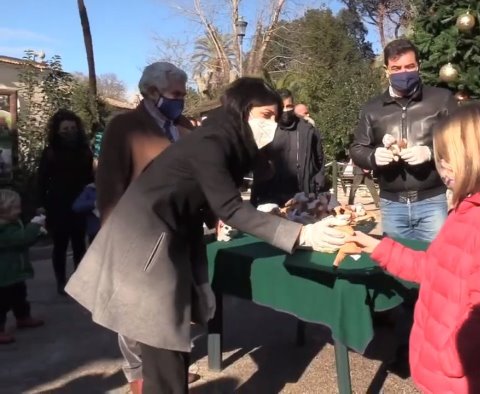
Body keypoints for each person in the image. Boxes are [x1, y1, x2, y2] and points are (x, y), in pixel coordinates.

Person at [65, 77, 347, 393]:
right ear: (244, 109)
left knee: (170, 340)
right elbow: (231, 207)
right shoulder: (211, 141)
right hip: (146, 245)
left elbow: (209, 194)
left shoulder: (221, 138)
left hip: (163, 238)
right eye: (266, 115)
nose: (272, 125)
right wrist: (302, 236)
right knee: (163, 343)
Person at [349, 102, 480, 393]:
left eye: (446, 158)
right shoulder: (470, 210)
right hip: (447, 373)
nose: (441, 168)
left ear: (475, 157)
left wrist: (449, 360)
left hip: (462, 379)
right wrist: (379, 248)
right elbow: (436, 269)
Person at [95, 62, 195, 393]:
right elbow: (110, 187)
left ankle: (170, 370)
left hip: (181, 235)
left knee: (175, 311)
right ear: (152, 92)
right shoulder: (124, 127)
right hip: (138, 235)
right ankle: (139, 375)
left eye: (184, 93)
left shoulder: (185, 127)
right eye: (175, 94)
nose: (181, 100)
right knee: (135, 313)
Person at [350, 38, 458, 242]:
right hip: (392, 205)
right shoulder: (372, 109)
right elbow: (357, 148)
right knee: (394, 267)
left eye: (409, 66)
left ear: (419, 66)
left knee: (437, 264)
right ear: (386, 70)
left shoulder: (441, 99)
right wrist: (373, 156)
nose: (403, 73)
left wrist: (430, 152)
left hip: (433, 201)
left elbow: (460, 141)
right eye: (396, 68)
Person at [37, 109, 93, 296]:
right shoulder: (50, 152)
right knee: (60, 245)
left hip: (79, 203)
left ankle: (80, 280)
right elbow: (41, 180)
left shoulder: (85, 151)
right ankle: (61, 281)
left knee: (79, 244)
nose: (69, 131)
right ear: (57, 131)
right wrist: (40, 204)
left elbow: (90, 178)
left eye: (72, 127)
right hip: (57, 204)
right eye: (65, 128)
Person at [250, 89, 326, 206]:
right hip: (271, 196)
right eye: (282, 106)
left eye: (289, 106)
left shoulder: (308, 130)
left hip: (303, 194)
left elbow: (319, 160)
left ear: (293, 106)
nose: (285, 110)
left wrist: (317, 184)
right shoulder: (266, 129)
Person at [0, 189, 45, 344]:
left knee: (20, 296)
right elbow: (20, 238)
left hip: (16, 272)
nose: (19, 211)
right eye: (14, 208)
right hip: (4, 275)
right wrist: (34, 226)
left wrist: (38, 233)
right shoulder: (3, 230)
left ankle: (23, 317)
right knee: (2, 302)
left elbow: (23, 242)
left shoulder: (13, 224)